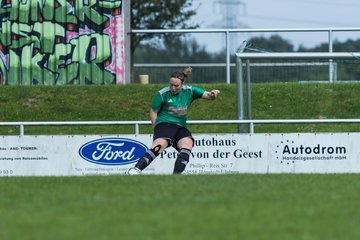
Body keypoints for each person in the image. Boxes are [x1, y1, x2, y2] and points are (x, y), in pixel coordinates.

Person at [126, 67, 220, 175]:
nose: (173, 88)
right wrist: (157, 127)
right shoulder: (162, 94)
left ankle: (175, 177)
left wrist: (213, 94)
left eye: (176, 86)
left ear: (183, 84)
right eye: (171, 84)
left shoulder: (190, 91)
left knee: (187, 144)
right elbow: (153, 111)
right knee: (160, 145)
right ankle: (135, 170)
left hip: (180, 126)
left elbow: (208, 96)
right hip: (165, 123)